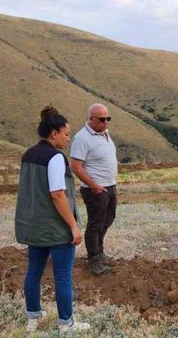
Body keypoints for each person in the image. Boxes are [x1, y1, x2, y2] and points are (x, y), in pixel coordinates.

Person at [15, 106, 90, 333]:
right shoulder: (56, 157)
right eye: (66, 134)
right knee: (63, 277)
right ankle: (66, 323)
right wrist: (73, 226)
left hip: (33, 226)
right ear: (54, 133)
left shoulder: (28, 154)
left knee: (34, 272)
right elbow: (57, 194)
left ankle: (33, 318)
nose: (68, 138)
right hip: (55, 228)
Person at [70, 103, 118, 275]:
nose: (106, 122)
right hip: (95, 189)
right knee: (95, 223)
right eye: (102, 119)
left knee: (109, 218)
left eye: (108, 119)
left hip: (110, 185)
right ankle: (94, 259)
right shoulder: (82, 138)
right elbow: (76, 167)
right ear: (91, 119)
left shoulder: (105, 133)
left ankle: (100, 251)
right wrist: (93, 185)